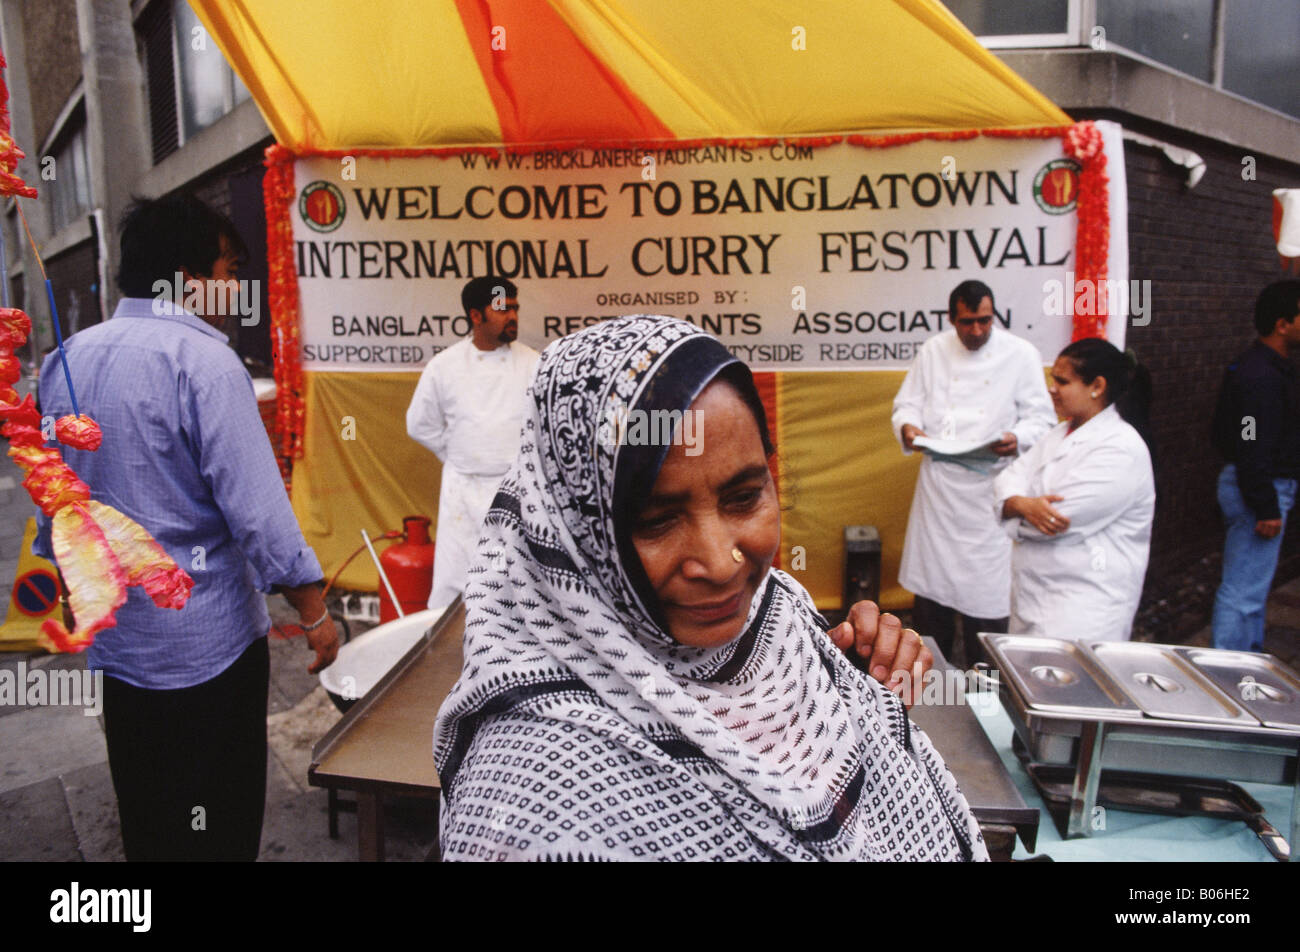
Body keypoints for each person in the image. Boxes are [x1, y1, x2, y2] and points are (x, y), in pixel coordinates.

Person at [433, 315, 986, 861]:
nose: (722, 564)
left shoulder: (777, 613)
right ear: (574, 535)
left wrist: (857, 688)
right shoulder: (533, 814)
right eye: (656, 521)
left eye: (743, 498)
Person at [33, 193, 339, 861]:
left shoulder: (67, 360)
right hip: (208, 655)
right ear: (187, 278)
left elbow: (55, 505)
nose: (236, 289)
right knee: (218, 827)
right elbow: (259, 513)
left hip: (123, 650)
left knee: (149, 817)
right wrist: (314, 610)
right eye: (231, 271)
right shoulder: (204, 362)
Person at [892, 280, 1056, 665]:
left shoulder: (1021, 354)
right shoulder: (933, 350)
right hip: (940, 494)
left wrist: (1017, 438)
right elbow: (906, 405)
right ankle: (932, 698)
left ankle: (991, 702)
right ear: (952, 318)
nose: (977, 330)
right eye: (968, 323)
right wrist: (908, 429)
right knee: (931, 610)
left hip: (991, 492)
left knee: (988, 608)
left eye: (984, 321)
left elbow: (1042, 419)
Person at [993, 338, 1155, 642]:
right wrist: (1021, 503)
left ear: (1097, 386)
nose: (1051, 389)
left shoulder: (1121, 449)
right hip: (1032, 597)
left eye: (1062, 381)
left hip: (1083, 610)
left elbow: (1055, 520)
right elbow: (1007, 478)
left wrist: (1012, 505)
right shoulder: (1058, 433)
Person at [406, 277, 539, 608]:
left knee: (518, 587)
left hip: (517, 491)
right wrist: (457, 456)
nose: (512, 316)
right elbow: (419, 424)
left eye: (514, 308)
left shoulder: (533, 363)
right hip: (462, 492)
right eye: (502, 309)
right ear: (476, 316)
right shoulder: (444, 366)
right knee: (456, 585)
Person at [1209, 280, 1300, 651]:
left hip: (1260, 484)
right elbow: (1249, 438)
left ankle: (1248, 661)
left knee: (1252, 587)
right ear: (1283, 324)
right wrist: (1263, 502)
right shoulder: (1259, 376)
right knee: (1243, 589)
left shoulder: (1268, 368)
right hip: (1259, 489)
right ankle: (1225, 672)